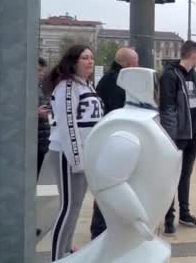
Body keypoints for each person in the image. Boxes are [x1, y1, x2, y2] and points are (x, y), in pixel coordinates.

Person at [44, 45, 104, 261]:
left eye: (91, 57)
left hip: (83, 155)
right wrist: (77, 160)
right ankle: (57, 256)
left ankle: (66, 249)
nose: (90, 61)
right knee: (68, 207)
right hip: (67, 155)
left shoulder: (86, 85)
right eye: (84, 58)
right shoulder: (67, 87)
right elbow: (69, 126)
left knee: (75, 206)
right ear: (73, 62)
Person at [160, 40, 196, 236]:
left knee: (185, 177)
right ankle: (168, 219)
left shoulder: (195, 76)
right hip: (177, 137)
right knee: (171, 178)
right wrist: (170, 138)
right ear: (194, 55)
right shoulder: (170, 75)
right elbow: (167, 109)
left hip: (192, 136)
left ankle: (185, 214)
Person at [89, 47, 139, 240]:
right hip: (113, 142)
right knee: (109, 187)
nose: (138, 65)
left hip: (112, 140)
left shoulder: (112, 79)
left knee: (111, 186)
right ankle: (100, 231)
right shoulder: (116, 81)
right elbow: (121, 111)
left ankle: (104, 229)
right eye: (135, 61)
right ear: (126, 63)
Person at [37, 57, 51, 179]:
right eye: (39, 70)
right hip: (32, 142)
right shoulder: (25, 89)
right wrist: (36, 114)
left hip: (41, 142)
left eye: (43, 71)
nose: (42, 74)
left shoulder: (40, 88)